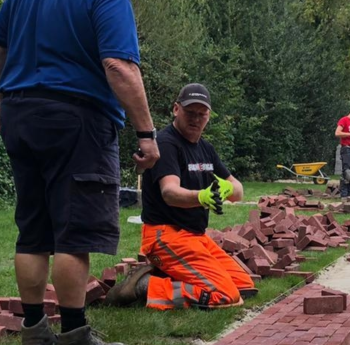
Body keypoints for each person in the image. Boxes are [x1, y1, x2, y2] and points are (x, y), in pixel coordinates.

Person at [0, 0, 159, 345]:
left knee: (33, 229)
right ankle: (75, 338)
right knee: (73, 232)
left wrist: (3, 98)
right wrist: (146, 133)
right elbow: (119, 66)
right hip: (76, 119)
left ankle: (34, 332)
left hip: (21, 115)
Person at [104, 84, 256, 311]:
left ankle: (167, 275)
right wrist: (202, 196)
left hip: (195, 237)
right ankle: (146, 287)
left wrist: (227, 188)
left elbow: (239, 190)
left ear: (208, 116)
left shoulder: (205, 148)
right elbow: (170, 193)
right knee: (225, 295)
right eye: (189, 112)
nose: (195, 119)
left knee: (244, 286)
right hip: (164, 237)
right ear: (176, 109)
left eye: (201, 114)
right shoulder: (166, 144)